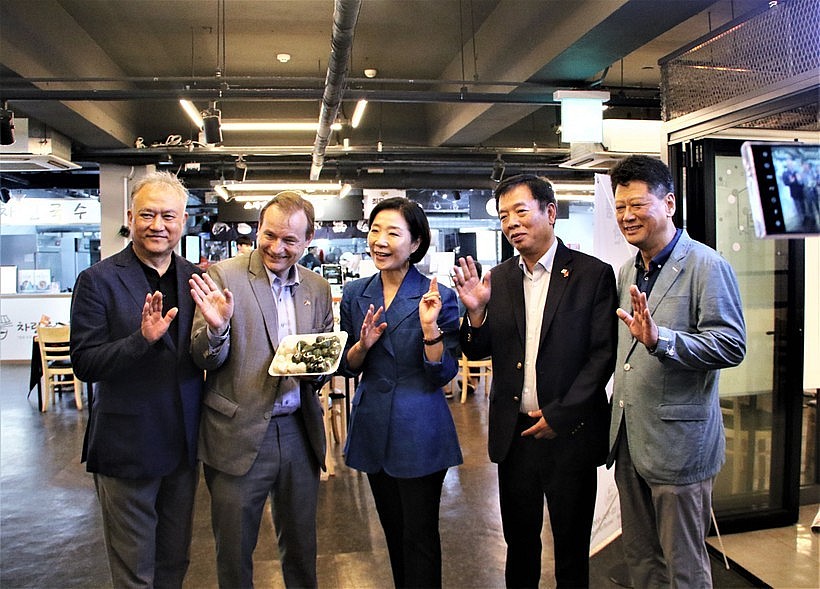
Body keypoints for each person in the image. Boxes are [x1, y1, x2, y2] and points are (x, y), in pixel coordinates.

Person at [453, 174, 617, 588]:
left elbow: (602, 355)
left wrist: (561, 415)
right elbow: (477, 351)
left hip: (569, 433)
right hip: (516, 435)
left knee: (571, 547)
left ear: (550, 212)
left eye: (521, 211)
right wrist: (475, 314)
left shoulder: (592, 274)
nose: (512, 223)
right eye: (504, 216)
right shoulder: (501, 277)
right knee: (520, 545)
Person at [606, 155, 747, 588]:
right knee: (641, 557)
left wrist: (661, 340)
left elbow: (731, 344)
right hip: (630, 439)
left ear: (668, 203)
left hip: (680, 446)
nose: (627, 216)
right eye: (619, 207)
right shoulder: (629, 269)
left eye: (637, 204)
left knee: (685, 565)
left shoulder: (706, 266)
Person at [189, 191, 333, 588]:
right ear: (258, 230)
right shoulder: (224, 276)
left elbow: (318, 364)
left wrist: (323, 363)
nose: (277, 248)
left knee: (303, 548)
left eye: (290, 240)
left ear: (308, 240)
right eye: (269, 236)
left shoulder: (317, 288)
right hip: (237, 432)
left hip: (298, 432)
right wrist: (217, 329)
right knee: (234, 553)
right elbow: (204, 358)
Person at [69, 171, 204, 588]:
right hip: (127, 444)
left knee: (174, 562)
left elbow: (208, 355)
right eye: (147, 214)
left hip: (184, 443)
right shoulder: (98, 280)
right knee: (134, 570)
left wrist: (219, 331)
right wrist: (140, 341)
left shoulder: (197, 279)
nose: (158, 225)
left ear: (184, 221)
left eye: (168, 216)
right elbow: (85, 362)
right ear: (130, 217)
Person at [339, 196, 462, 588]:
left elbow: (442, 374)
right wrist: (362, 345)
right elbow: (347, 365)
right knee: (392, 533)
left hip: (419, 428)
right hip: (373, 424)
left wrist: (430, 331)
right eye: (375, 230)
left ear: (415, 243)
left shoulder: (437, 295)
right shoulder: (356, 293)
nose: (380, 240)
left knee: (420, 536)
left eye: (393, 232)